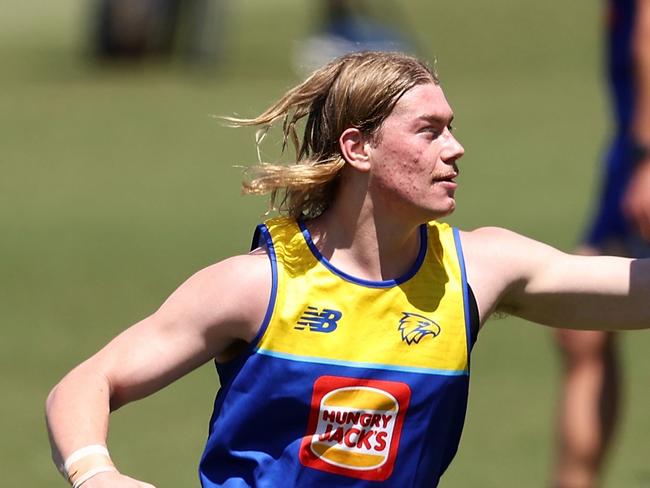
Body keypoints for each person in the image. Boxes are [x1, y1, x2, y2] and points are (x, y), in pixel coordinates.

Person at [45, 51, 650, 488]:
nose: (455, 148)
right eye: (429, 131)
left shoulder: (479, 270)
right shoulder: (257, 286)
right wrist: (96, 474)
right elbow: (85, 383)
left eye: (452, 128)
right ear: (359, 148)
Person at [552, 1, 650, 487]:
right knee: (582, 328)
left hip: (641, 152)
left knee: (583, 317)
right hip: (630, 150)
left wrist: (648, 156)